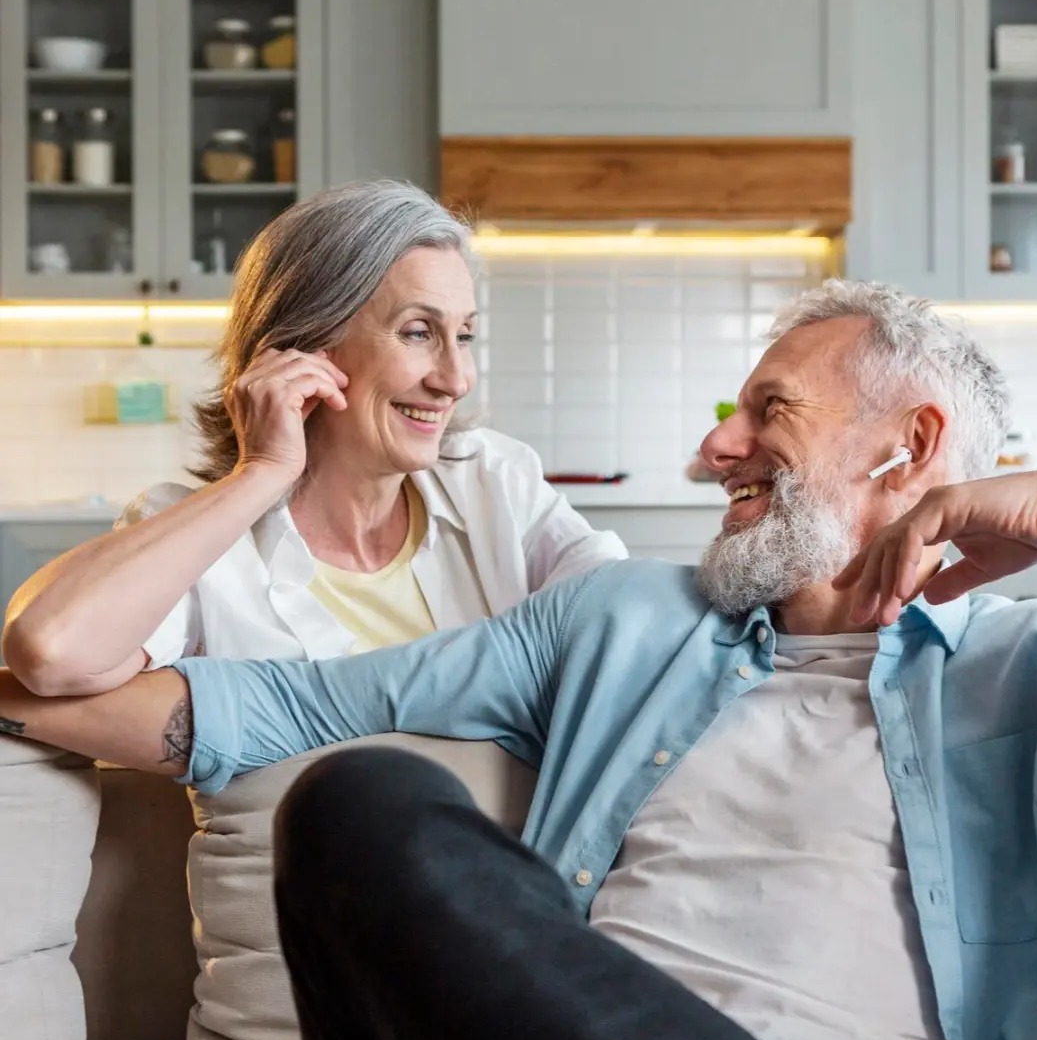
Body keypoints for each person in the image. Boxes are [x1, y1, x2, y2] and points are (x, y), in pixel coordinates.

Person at [5, 280, 1037, 1040]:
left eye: (766, 410)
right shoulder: (617, 619)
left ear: (910, 449)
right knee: (359, 803)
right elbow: (280, 705)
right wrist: (27, 684)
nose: (714, 447)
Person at [0, 180, 625, 696]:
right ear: (306, 343)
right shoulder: (199, 536)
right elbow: (49, 650)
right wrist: (262, 471)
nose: (455, 379)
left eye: (464, 334)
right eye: (416, 333)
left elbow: (628, 617)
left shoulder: (493, 479)